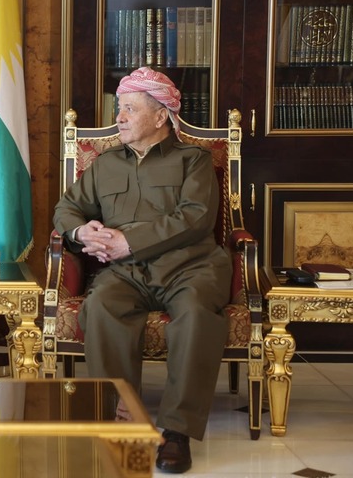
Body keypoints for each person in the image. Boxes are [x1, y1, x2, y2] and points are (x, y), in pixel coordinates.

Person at [53, 67, 231, 474]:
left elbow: (196, 218)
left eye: (130, 109)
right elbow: (68, 207)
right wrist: (81, 231)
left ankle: (177, 432)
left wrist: (129, 241)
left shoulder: (194, 161)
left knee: (196, 315)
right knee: (101, 306)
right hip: (125, 270)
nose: (119, 117)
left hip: (190, 267)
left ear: (160, 116)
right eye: (119, 108)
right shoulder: (105, 164)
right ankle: (121, 417)